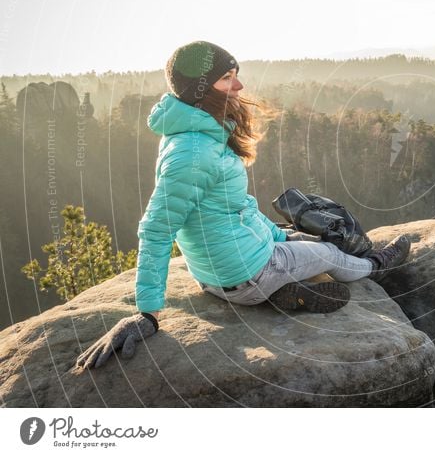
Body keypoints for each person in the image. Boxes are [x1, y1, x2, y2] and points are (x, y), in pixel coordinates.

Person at [76, 41, 410, 370]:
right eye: (227, 78)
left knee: (305, 241)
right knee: (330, 255)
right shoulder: (193, 153)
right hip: (247, 273)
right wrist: (147, 313)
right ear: (199, 89)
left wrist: (283, 238)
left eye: (236, 74)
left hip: (219, 275)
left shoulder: (190, 133)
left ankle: (281, 291)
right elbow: (156, 230)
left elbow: (237, 209)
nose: (239, 85)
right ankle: (374, 266)